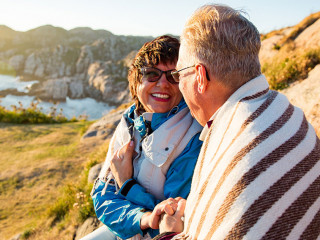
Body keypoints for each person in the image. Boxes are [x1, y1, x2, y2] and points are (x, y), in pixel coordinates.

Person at [151, 4, 320, 240]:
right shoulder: (289, 113)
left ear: (200, 77)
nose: (178, 84)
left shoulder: (230, 142)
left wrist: (169, 233)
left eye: (179, 75)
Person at [82, 35, 203, 240]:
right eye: (152, 74)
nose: (163, 84)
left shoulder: (193, 134)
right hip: (127, 232)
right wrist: (143, 218)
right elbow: (103, 197)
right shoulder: (129, 121)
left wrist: (127, 184)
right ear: (136, 80)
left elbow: (172, 219)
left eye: (173, 75)